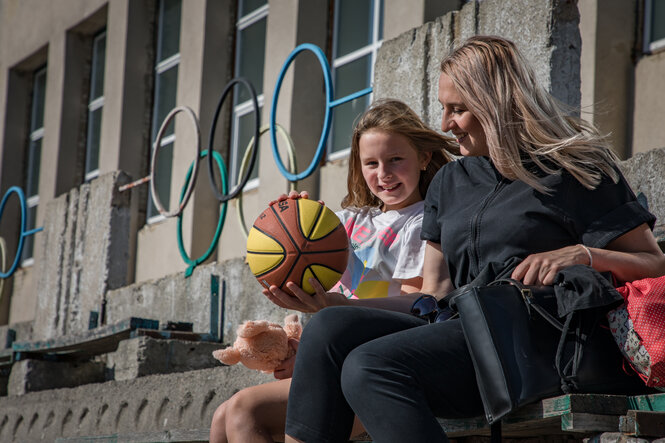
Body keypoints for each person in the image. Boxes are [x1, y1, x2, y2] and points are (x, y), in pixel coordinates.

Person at [281, 36, 665, 443]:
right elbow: (433, 294)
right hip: (464, 336)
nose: (445, 124)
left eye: (458, 109)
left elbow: (653, 263)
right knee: (328, 328)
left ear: (497, 104)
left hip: (538, 342)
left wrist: (584, 254)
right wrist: (332, 300)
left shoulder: (575, 169)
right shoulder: (451, 180)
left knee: (370, 365)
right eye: (444, 109)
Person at [209, 99, 455, 442]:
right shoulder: (348, 223)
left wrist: (339, 308)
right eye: (371, 163)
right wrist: (287, 221)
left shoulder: (423, 221)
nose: (383, 173)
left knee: (243, 409)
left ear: (424, 157)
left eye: (395, 159)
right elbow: (272, 260)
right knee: (221, 416)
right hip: (333, 357)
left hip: (374, 363)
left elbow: (418, 305)